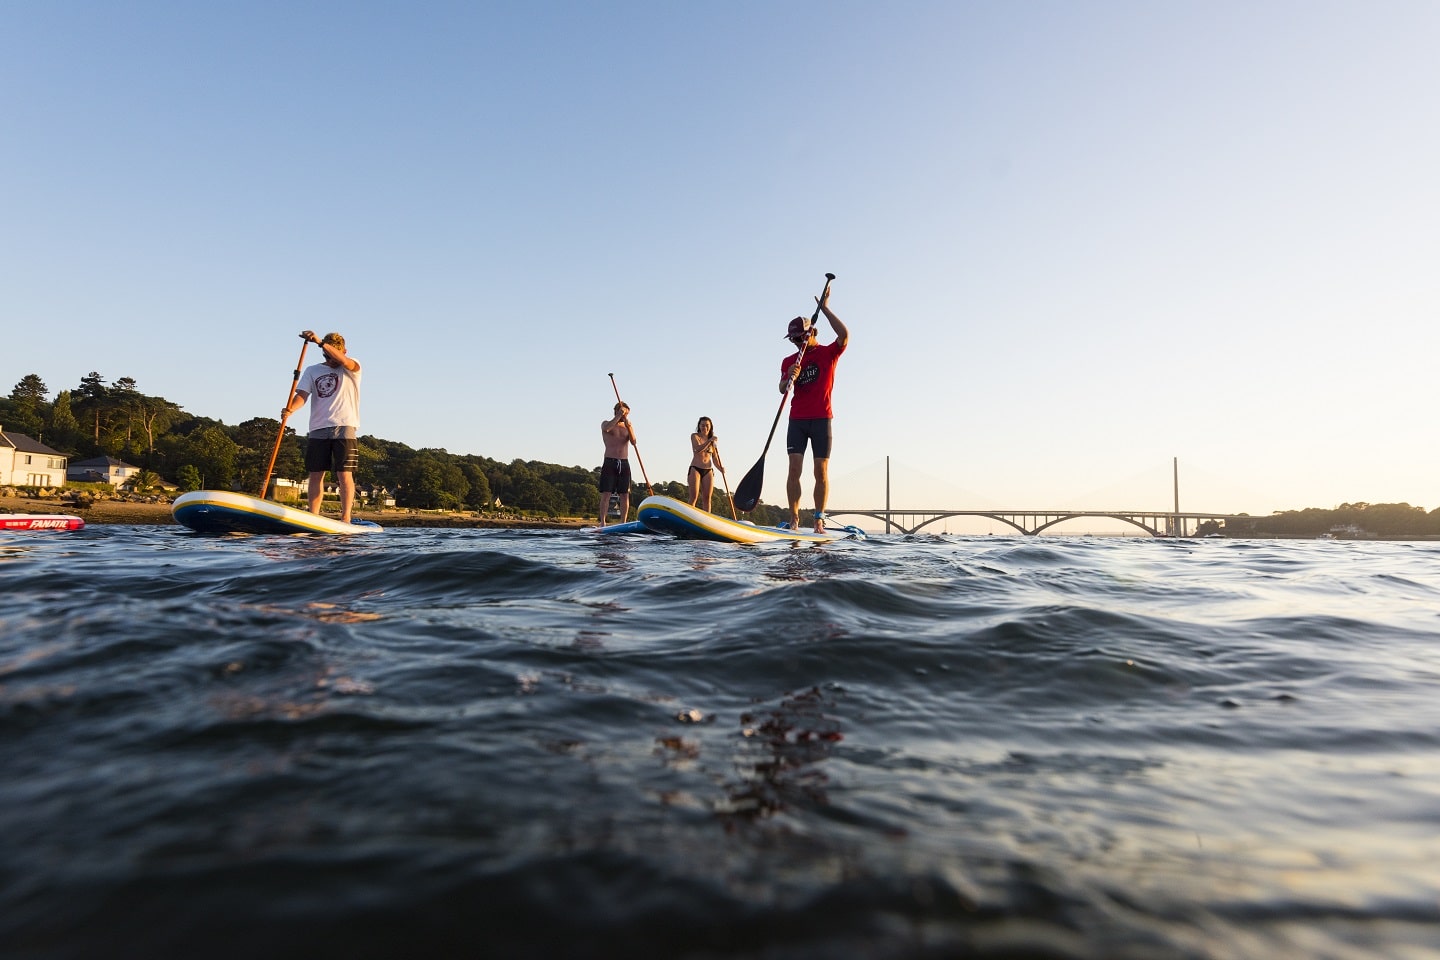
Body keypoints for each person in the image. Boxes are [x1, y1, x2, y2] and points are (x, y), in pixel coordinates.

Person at [779, 285, 849, 533]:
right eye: (793, 340)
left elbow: (844, 335)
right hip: (797, 420)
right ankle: (794, 518)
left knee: (820, 471)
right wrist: (789, 378)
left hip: (821, 419)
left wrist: (826, 309)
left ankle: (818, 519)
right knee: (794, 469)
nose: (797, 342)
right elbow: (782, 389)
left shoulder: (828, 353)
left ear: (811, 333)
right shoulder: (789, 360)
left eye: (799, 337)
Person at [284, 331, 362, 524]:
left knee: (344, 474)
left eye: (333, 354)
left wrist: (320, 343)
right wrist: (290, 409)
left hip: (345, 425)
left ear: (344, 350)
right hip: (318, 427)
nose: (331, 359)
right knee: (316, 473)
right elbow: (302, 395)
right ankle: (314, 516)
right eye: (327, 356)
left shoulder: (353, 366)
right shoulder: (312, 370)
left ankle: (345, 518)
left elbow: (344, 362)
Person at [598, 401, 635, 526]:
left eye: (626, 414)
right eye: (624, 413)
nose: (625, 416)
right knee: (606, 493)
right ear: (617, 411)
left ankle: (623, 522)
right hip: (610, 461)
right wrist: (619, 416)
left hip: (624, 462)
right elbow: (606, 428)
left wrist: (629, 426)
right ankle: (602, 522)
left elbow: (634, 442)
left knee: (624, 494)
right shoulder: (606, 423)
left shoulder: (627, 426)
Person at [687, 416, 725, 513]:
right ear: (699, 426)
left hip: (708, 469)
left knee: (707, 498)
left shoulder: (713, 442)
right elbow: (697, 449)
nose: (705, 427)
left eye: (707, 425)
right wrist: (709, 441)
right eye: (702, 425)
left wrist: (720, 468)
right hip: (695, 468)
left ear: (710, 426)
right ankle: (689, 516)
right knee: (694, 496)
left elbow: (715, 458)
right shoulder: (695, 436)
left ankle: (707, 518)